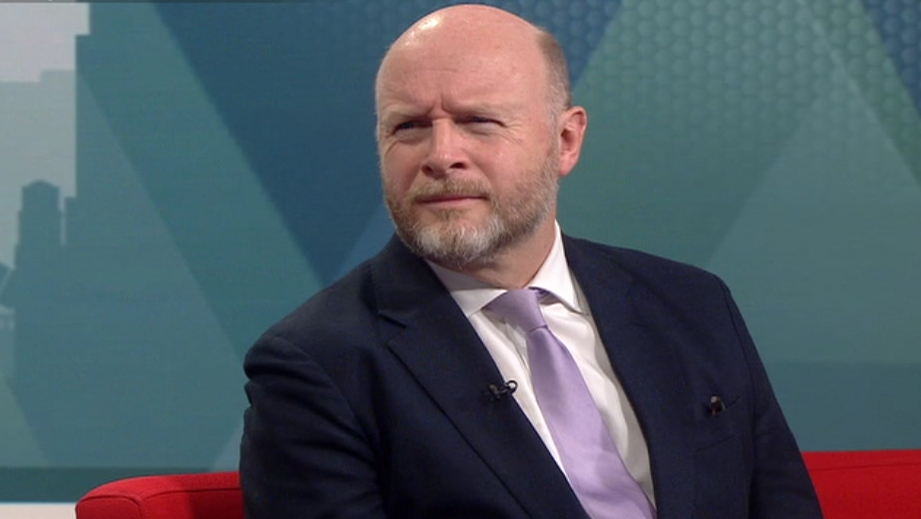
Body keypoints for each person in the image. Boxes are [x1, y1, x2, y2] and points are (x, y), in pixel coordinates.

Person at [240, 4, 823, 518]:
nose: (442, 155)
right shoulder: (319, 364)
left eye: (478, 122)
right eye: (409, 127)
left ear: (566, 141)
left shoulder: (693, 305)